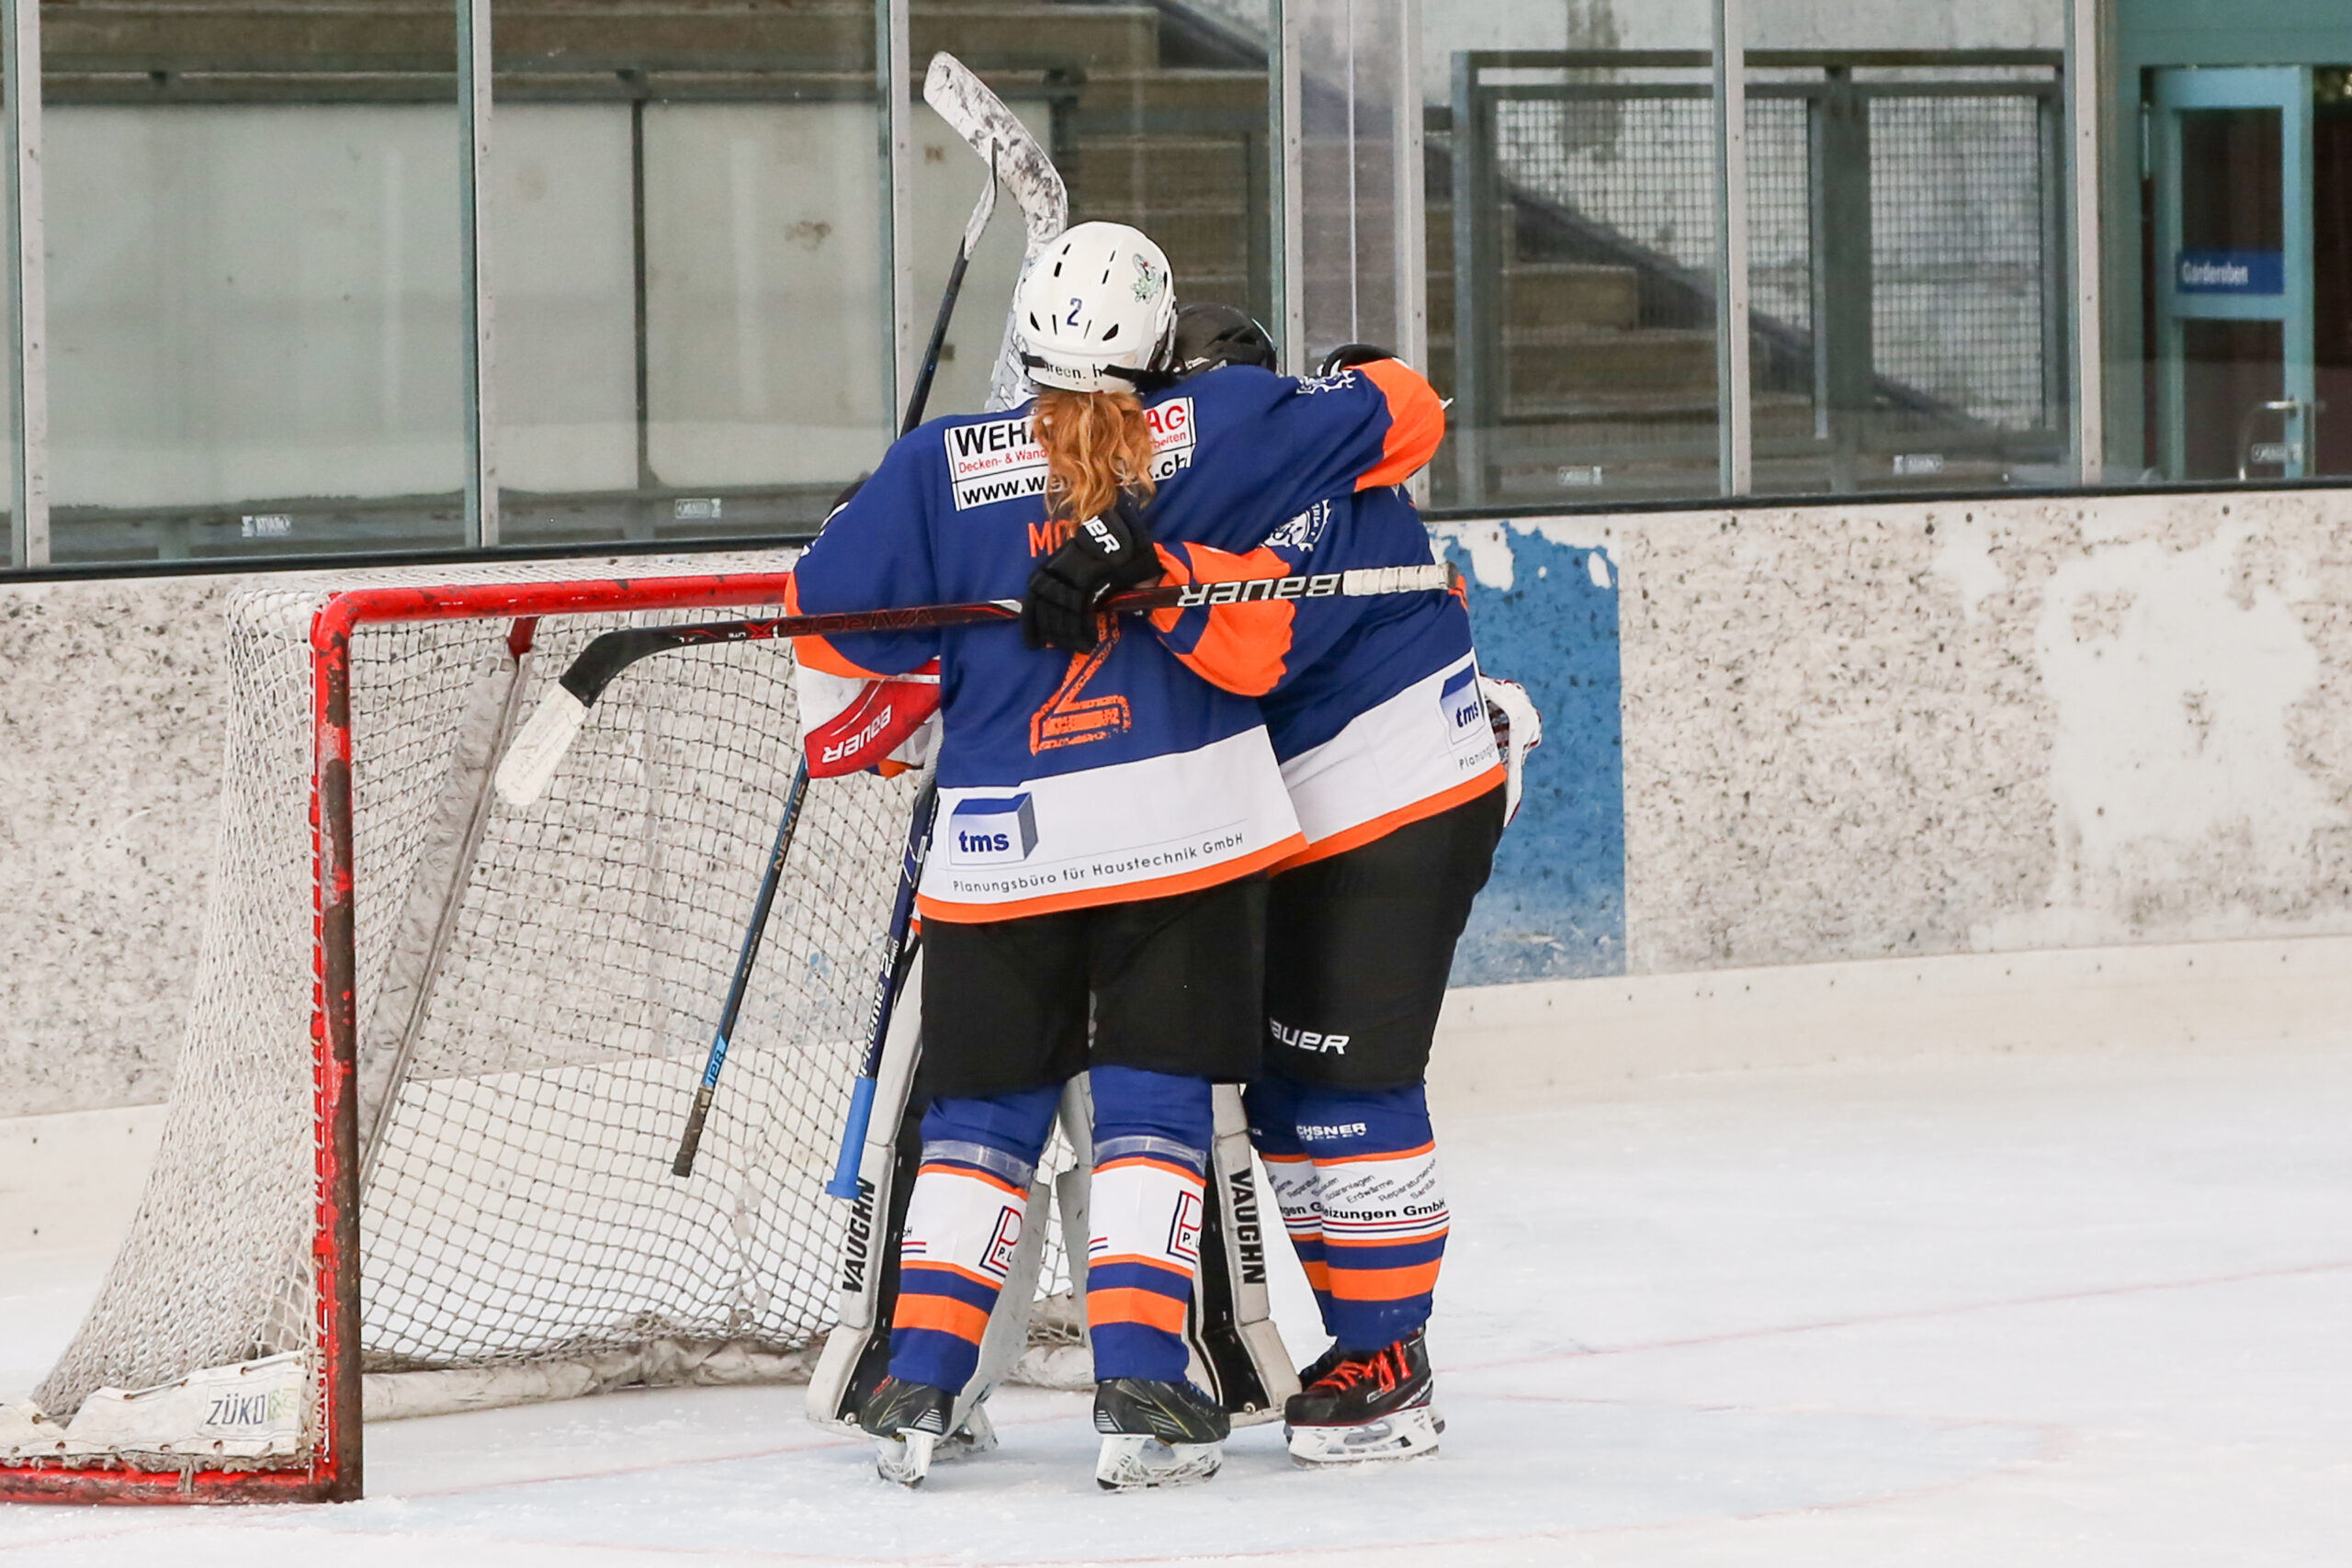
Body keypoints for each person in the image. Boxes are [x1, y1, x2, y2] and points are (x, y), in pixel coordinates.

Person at [783, 224, 1445, 1489]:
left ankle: (919, 1382)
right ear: (1161, 334)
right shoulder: (1225, 425)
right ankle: (1143, 1389)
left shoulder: (934, 464)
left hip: (997, 849)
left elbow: (831, 625)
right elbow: (1408, 409)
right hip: (1179, 834)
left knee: (979, 1116)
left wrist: (914, 683)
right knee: (1151, 1110)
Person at [1139, 306, 1544, 1466]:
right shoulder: (1296, 459)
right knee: (1282, 1087)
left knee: (1347, 1083)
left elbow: (1251, 646)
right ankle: (1359, 1340)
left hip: (1391, 800)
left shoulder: (1298, 489)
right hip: (1325, 808)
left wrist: (1141, 578)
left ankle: (1389, 1361)